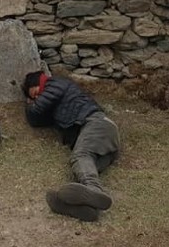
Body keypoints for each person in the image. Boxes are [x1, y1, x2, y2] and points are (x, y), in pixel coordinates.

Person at [23, 71, 120, 222]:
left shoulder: (55, 83)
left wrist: (29, 105)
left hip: (97, 124)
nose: (36, 98)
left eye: (35, 93)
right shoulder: (56, 102)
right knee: (82, 169)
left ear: (39, 83)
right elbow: (36, 120)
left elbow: (36, 110)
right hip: (104, 145)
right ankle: (86, 209)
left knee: (80, 156)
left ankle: (94, 189)